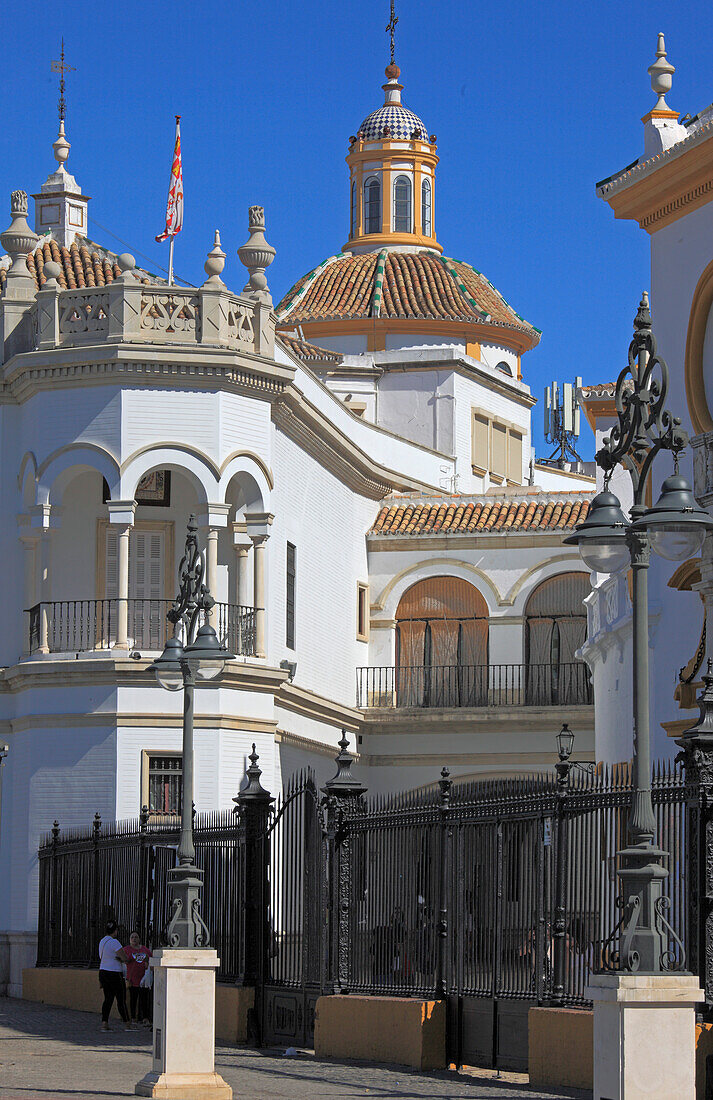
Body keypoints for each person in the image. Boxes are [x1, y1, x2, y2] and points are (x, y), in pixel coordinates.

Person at [98, 920, 133, 1031]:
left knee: (108, 999)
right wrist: (124, 959)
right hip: (114, 973)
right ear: (116, 931)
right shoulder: (115, 942)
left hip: (103, 971)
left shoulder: (102, 941)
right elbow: (124, 958)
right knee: (121, 999)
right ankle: (127, 1023)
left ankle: (104, 1023)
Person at [123, 931, 152, 1026]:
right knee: (133, 999)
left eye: (136, 937)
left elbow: (151, 957)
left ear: (139, 939)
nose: (134, 939)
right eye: (132, 937)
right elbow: (122, 958)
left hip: (143, 978)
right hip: (132, 978)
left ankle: (145, 1018)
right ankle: (133, 1018)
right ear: (129, 939)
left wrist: (147, 961)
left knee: (144, 999)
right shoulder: (127, 949)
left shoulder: (144, 949)